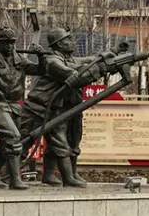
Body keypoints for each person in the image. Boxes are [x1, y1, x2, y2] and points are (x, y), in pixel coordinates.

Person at [19, 27, 112, 187]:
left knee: (59, 142)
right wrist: (100, 69)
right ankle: (7, 175)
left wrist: (104, 57)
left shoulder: (67, 59)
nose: (72, 42)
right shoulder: (53, 62)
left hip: (52, 109)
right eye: (68, 40)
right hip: (37, 108)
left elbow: (85, 61)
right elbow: (75, 77)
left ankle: (51, 175)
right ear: (59, 44)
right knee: (22, 143)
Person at [0, 27, 46, 190]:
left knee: (5, 143)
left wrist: (41, 56)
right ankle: (15, 179)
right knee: (13, 137)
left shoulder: (20, 60)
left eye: (12, 43)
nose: (10, 46)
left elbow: (40, 70)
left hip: (15, 106)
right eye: (6, 43)